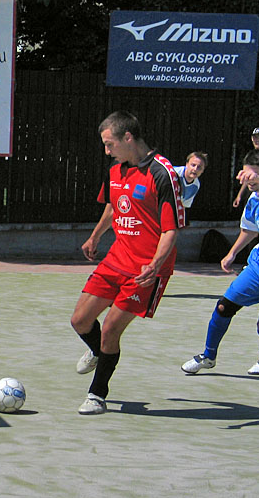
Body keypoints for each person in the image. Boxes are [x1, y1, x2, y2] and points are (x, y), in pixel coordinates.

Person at [71, 111, 185, 415]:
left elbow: (171, 230)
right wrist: (95, 237)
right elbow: (112, 206)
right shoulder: (115, 170)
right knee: (80, 321)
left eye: (110, 144)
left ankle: (97, 394)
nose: (106, 151)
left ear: (128, 138)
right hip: (116, 259)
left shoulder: (163, 173)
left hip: (146, 269)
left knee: (110, 329)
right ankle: (99, 353)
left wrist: (155, 265)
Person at [182, 149, 259, 376]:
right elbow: (250, 230)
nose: (249, 179)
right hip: (258, 266)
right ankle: (208, 356)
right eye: (246, 174)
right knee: (224, 307)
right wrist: (232, 253)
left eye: (254, 174)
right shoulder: (254, 199)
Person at [232, 127, 259, 208]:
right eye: (255, 137)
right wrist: (239, 195)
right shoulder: (249, 156)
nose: (257, 140)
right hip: (252, 194)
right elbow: (246, 177)